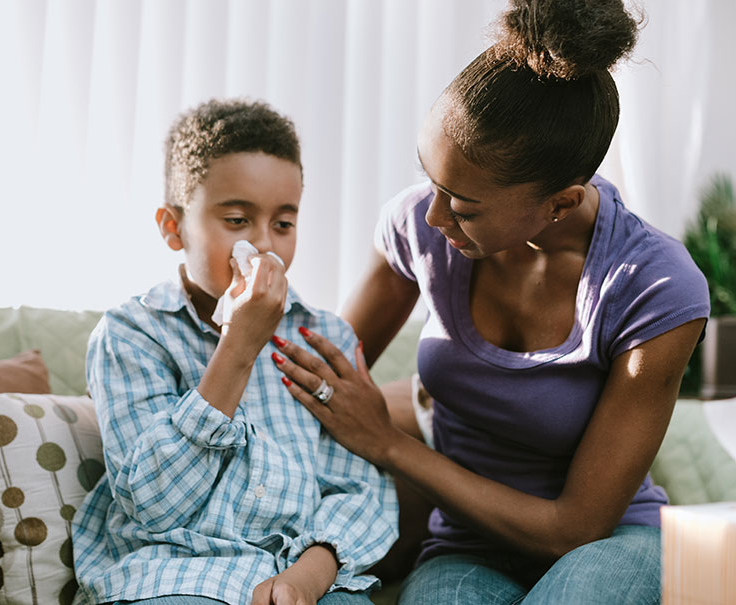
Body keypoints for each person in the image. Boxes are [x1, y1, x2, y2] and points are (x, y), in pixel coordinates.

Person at [270, 1, 709, 603]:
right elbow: (322, 376)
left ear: (560, 202)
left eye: (464, 206)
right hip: (466, 546)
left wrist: (391, 445)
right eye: (432, 181)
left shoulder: (655, 286)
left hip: (610, 544)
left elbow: (576, 528)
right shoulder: (419, 227)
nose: (432, 214)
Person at [71, 99, 398, 605]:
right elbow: (153, 506)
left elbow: (362, 491)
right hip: (173, 579)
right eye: (238, 220)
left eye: (284, 225)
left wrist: (307, 580)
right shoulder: (132, 335)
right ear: (172, 227)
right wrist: (239, 347)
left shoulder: (323, 338)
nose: (264, 246)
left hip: (301, 575)